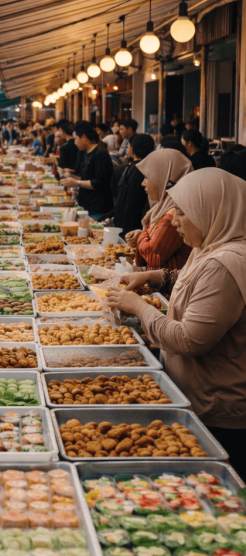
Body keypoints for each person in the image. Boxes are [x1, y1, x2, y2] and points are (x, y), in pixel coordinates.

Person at [105, 168, 246, 477]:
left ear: (213, 211)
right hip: (194, 395)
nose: (174, 221)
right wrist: (156, 276)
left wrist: (139, 307)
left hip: (217, 413)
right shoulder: (210, 248)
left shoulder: (225, 263)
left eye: (183, 213)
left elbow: (188, 339)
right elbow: (191, 279)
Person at [127, 148, 193, 271]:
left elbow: (152, 254)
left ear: (164, 179)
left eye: (147, 177)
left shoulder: (174, 215)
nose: (143, 183)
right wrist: (144, 236)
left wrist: (141, 236)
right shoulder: (161, 209)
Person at [60, 122, 114, 218]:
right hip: (86, 205)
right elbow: (86, 177)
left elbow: (100, 183)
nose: (74, 142)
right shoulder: (84, 152)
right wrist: (71, 176)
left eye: (75, 138)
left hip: (98, 207)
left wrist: (77, 183)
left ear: (84, 137)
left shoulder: (100, 154)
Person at [113, 134, 152, 236]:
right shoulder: (148, 169)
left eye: (128, 146)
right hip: (134, 224)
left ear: (132, 150)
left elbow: (130, 204)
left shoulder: (135, 170)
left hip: (130, 228)